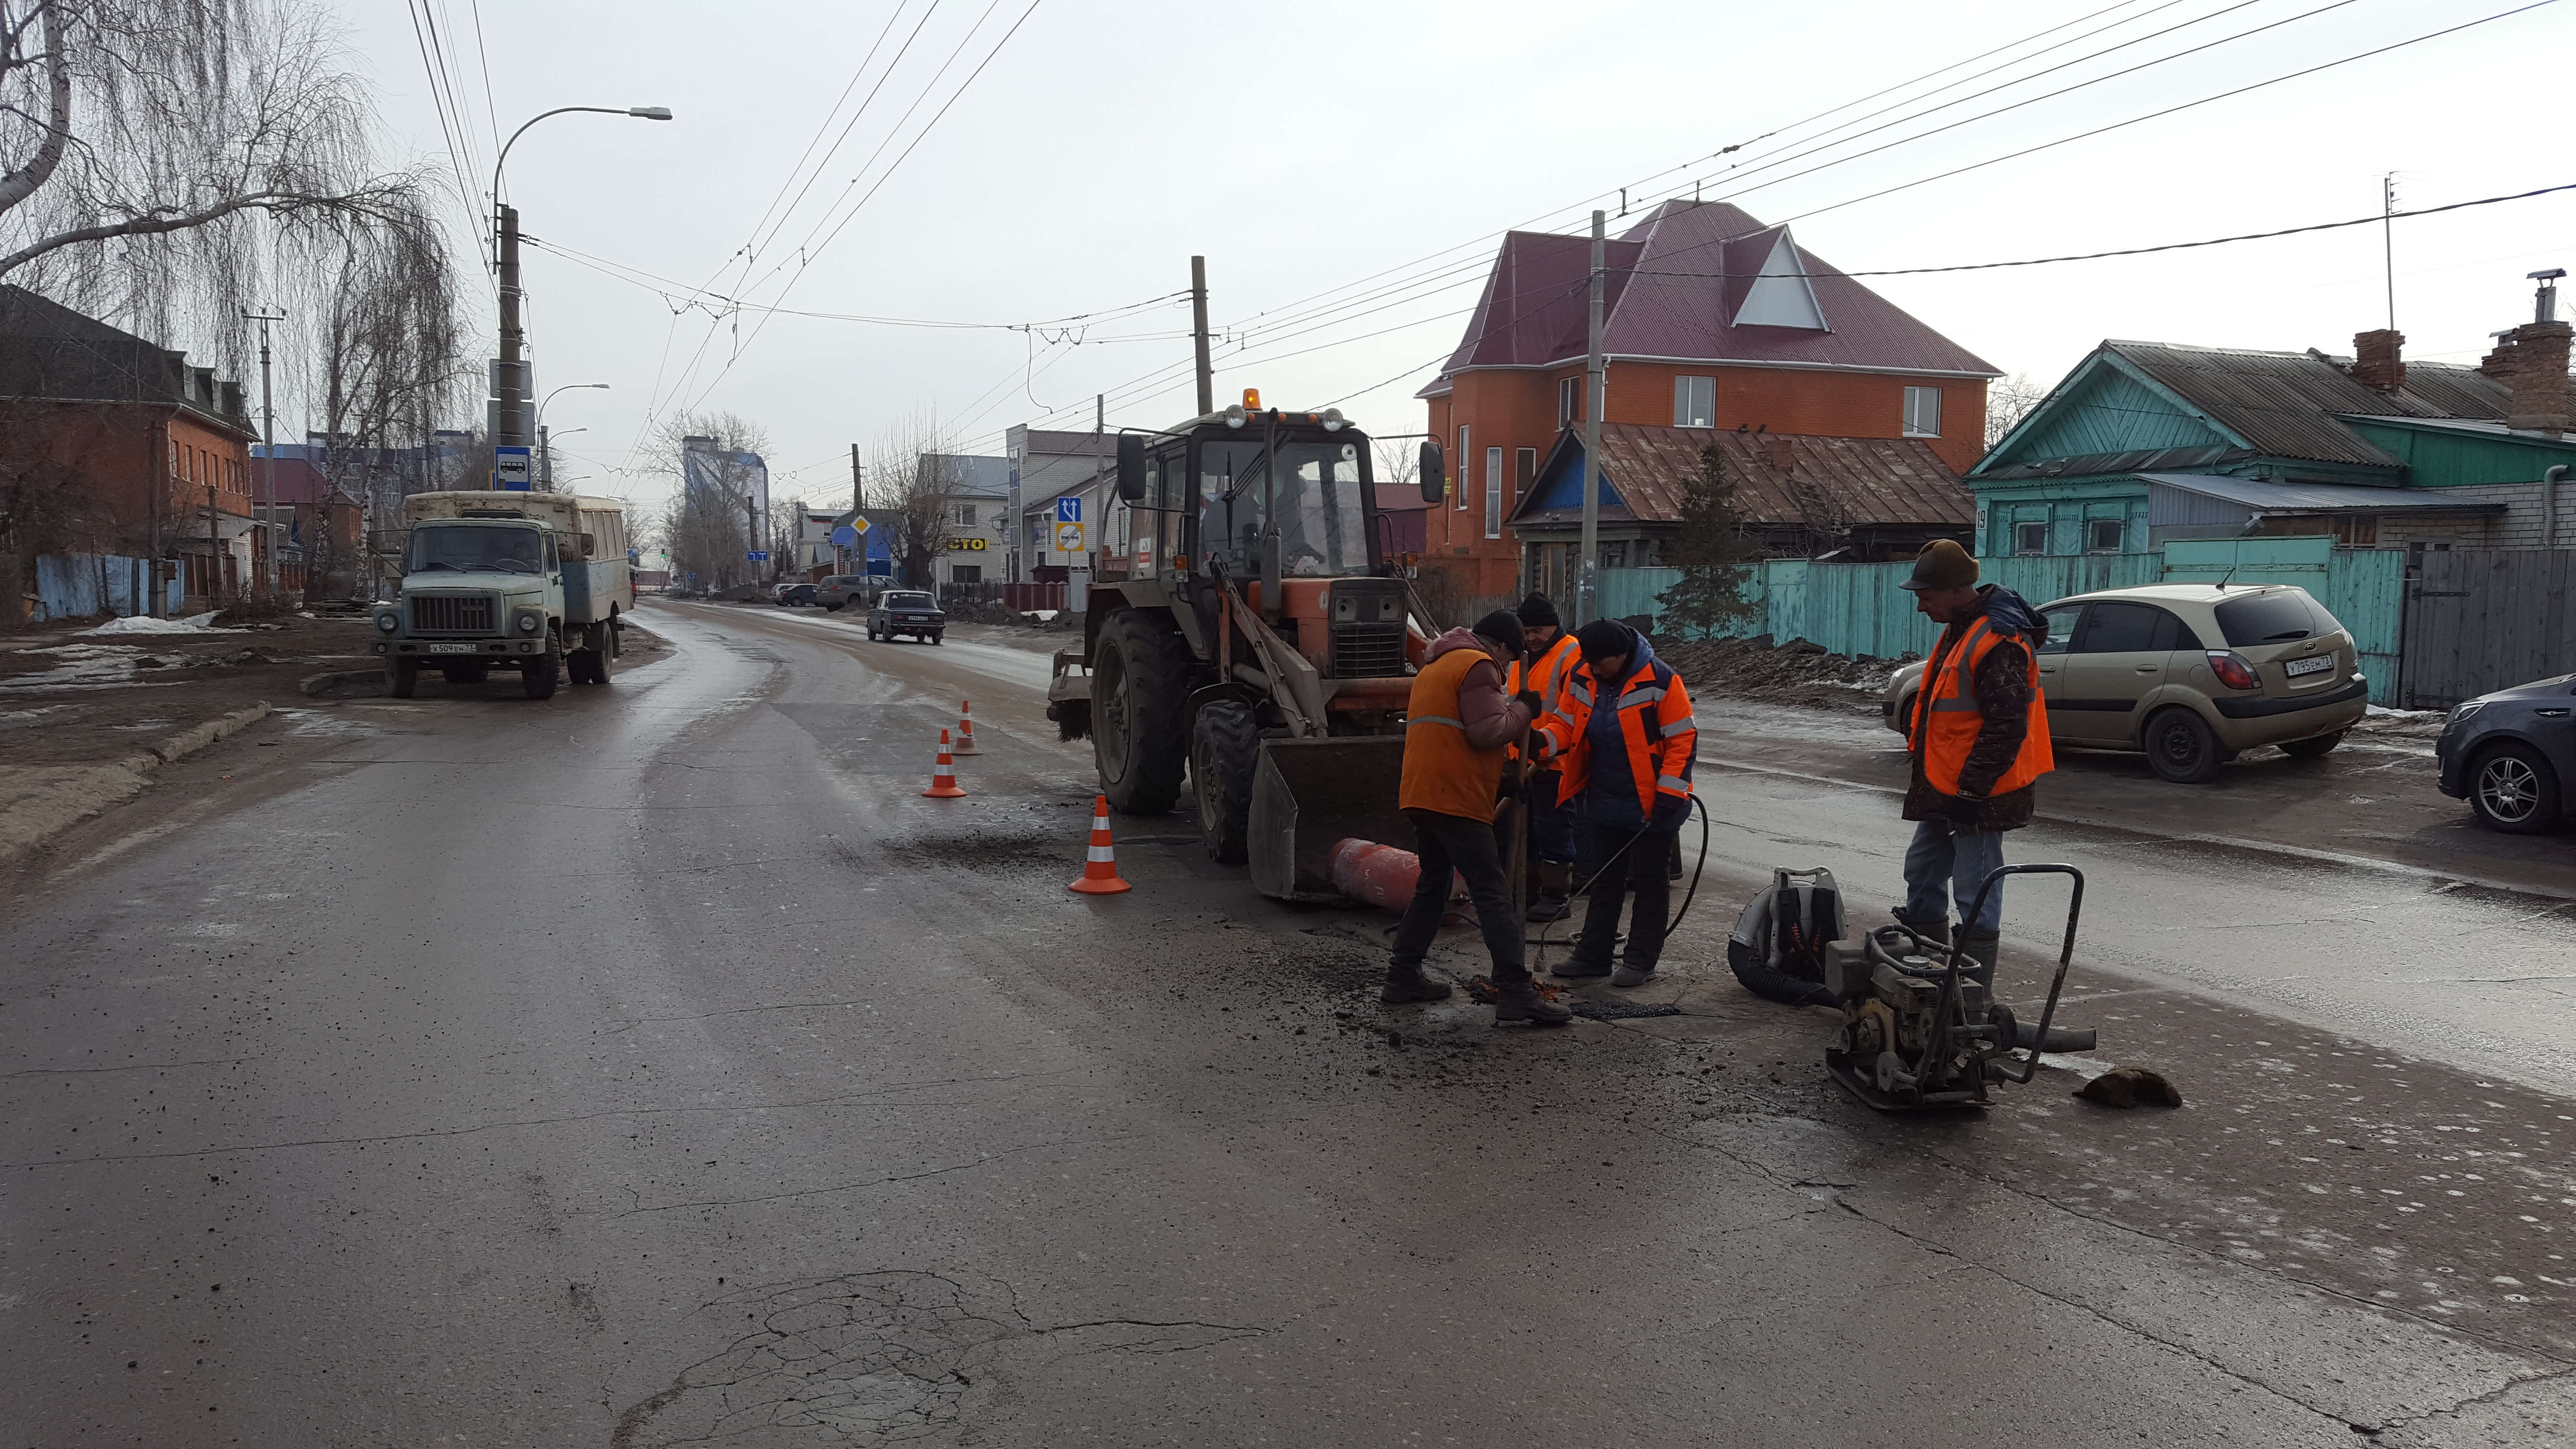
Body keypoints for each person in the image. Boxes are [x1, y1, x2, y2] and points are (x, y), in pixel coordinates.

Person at [1386, 609, 1573, 1026]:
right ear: (1503, 646)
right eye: (1510, 658)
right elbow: (1487, 732)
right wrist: (1524, 708)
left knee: (1433, 887)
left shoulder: (1436, 664)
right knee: (1492, 890)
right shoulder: (1477, 664)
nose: (1506, 668)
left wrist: (1504, 780)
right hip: (1454, 799)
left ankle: (1402, 976)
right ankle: (1515, 991)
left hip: (1423, 791)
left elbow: (1451, 736)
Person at [1894, 539, 2054, 986]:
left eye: (1926, 598)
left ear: (1955, 591)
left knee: (1975, 888)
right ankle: (1920, 979)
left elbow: (2006, 725)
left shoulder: (1998, 638)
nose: (1921, 608)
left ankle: (1971, 995)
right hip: (1947, 786)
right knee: (1923, 874)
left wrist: (1971, 792)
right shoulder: (1964, 628)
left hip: (1980, 793)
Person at [1534, 617, 1697, 987]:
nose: (1593, 669)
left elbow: (1682, 740)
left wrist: (1670, 796)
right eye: (1589, 662)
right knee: (1606, 881)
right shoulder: (1583, 677)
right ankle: (1594, 956)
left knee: (1650, 883)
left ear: (1622, 656)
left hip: (1653, 803)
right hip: (1605, 796)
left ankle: (1641, 960)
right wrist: (1541, 742)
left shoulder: (1660, 680)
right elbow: (1565, 723)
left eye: (1600, 663)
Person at [1505, 592, 1582, 922]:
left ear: (1554, 625)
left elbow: (1572, 711)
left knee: (1553, 828)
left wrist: (1548, 747)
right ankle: (1529, 892)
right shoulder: (1520, 657)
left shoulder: (1571, 653)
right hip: (1522, 758)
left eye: (1538, 630)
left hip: (1554, 761)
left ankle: (1557, 897)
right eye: (1526, 630)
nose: (1532, 637)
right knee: (1528, 831)